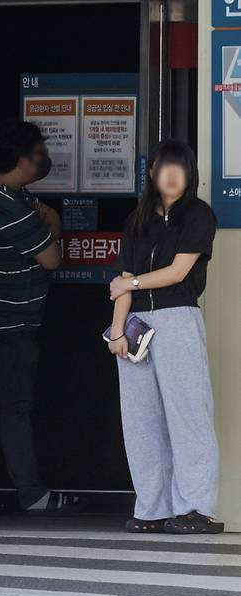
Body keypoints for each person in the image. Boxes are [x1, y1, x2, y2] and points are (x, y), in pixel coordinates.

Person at [109, 139, 224, 535]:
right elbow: (121, 283)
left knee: (187, 412)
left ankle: (195, 506)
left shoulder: (199, 214)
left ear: (189, 172)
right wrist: (117, 332)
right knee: (141, 418)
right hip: (137, 322)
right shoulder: (138, 219)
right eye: (163, 166)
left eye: (179, 166)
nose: (171, 174)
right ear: (152, 173)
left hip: (177, 317)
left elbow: (177, 272)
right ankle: (152, 506)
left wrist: (131, 284)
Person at [0, 119, 64, 512]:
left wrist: (48, 220)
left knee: (2, 406)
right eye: (38, 155)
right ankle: (31, 492)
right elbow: (52, 257)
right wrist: (53, 227)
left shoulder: (12, 193)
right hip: (5, 324)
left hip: (14, 321)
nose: (44, 162)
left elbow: (48, 220)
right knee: (13, 407)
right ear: (21, 160)